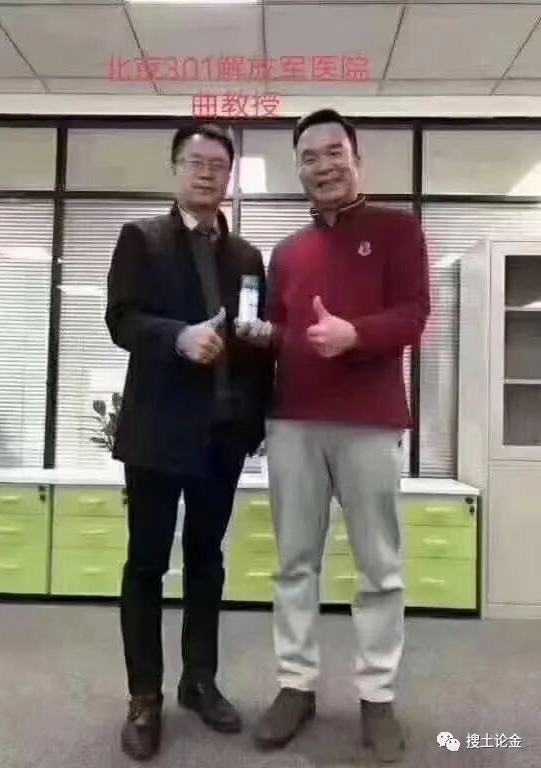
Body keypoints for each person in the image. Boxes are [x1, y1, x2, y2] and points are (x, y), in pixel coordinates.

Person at [241, 109, 430, 764]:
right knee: (295, 562)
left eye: (333, 152)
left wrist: (356, 334)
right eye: (309, 157)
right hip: (292, 420)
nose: (322, 165)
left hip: (370, 422)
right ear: (298, 169)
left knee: (379, 565)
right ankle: (296, 686)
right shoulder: (287, 252)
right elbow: (279, 330)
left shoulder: (399, 230)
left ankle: (377, 695)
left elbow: (414, 314)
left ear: (356, 158)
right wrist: (262, 337)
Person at [105, 123, 272, 761]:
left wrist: (257, 411)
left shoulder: (247, 256)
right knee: (146, 563)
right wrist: (177, 336)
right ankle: (144, 695)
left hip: (222, 436)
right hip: (157, 432)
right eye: (194, 162)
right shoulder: (141, 238)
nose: (206, 173)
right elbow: (122, 319)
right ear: (175, 168)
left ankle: (199, 680)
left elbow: (254, 337)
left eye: (217, 165)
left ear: (230, 178)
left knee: (207, 561)